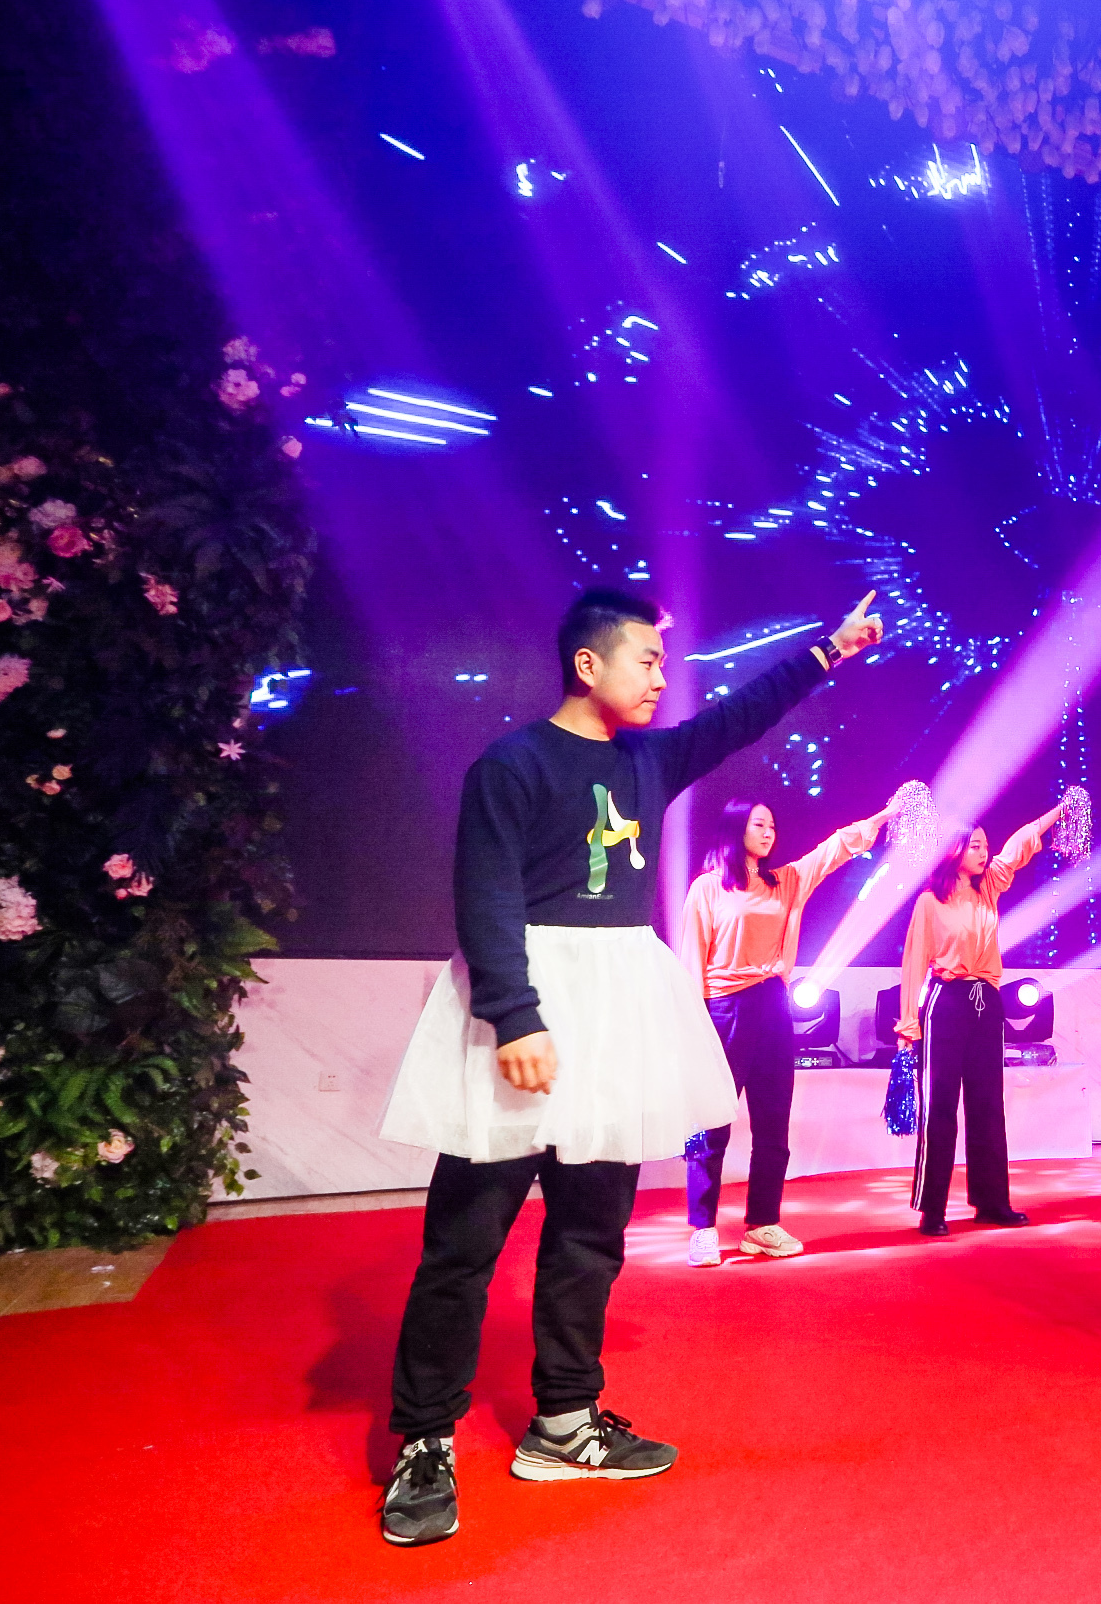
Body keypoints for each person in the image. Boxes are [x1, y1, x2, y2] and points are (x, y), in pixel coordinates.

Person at [374, 587, 883, 1547]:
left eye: (661, 661)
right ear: (588, 664)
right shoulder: (512, 765)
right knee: (464, 1243)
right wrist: (515, 1017)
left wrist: (829, 652)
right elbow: (484, 896)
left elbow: (739, 715)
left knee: (590, 1233)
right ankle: (425, 1439)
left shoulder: (649, 759)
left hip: (615, 1015)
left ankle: (564, 1422)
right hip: (527, 1010)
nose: (660, 678)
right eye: (645, 660)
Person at [675, 787, 903, 1267]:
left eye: (772, 826)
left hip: (774, 1006)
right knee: (711, 1123)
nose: (768, 833)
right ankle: (703, 1228)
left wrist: (887, 814)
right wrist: (691, 1027)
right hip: (723, 1009)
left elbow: (834, 849)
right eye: (758, 824)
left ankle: (762, 1224)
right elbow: (691, 961)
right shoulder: (707, 888)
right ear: (736, 829)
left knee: (774, 1123)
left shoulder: (786, 881)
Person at [896, 798, 1069, 1237]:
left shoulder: (989, 888)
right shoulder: (929, 903)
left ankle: (992, 1202)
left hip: (986, 1002)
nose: (983, 852)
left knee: (989, 1105)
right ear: (953, 850)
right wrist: (908, 1024)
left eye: (984, 846)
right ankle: (932, 1208)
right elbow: (914, 963)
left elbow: (1019, 846)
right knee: (939, 1106)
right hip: (946, 1002)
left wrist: (1056, 813)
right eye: (974, 846)